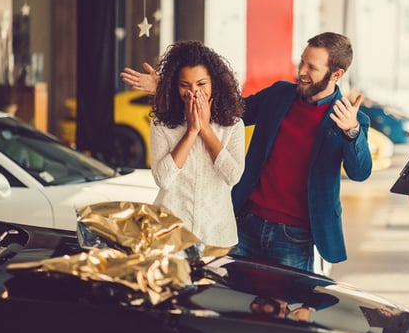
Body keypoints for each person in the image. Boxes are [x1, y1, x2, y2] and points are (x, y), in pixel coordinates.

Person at [121, 32, 373, 272]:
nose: (302, 72)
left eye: (312, 68)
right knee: (233, 303)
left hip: (295, 235)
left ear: (336, 74)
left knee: (283, 312)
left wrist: (351, 131)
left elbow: (360, 172)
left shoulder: (350, 119)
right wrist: (168, 87)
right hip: (246, 222)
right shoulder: (279, 95)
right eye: (302, 62)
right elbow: (230, 109)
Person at [148, 40, 245, 249]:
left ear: (214, 84)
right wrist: (192, 131)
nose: (193, 92)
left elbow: (233, 176)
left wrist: (206, 130)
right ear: (175, 87)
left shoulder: (233, 126)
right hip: (169, 235)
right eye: (185, 85)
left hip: (217, 235)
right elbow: (163, 179)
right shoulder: (161, 125)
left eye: (201, 84)